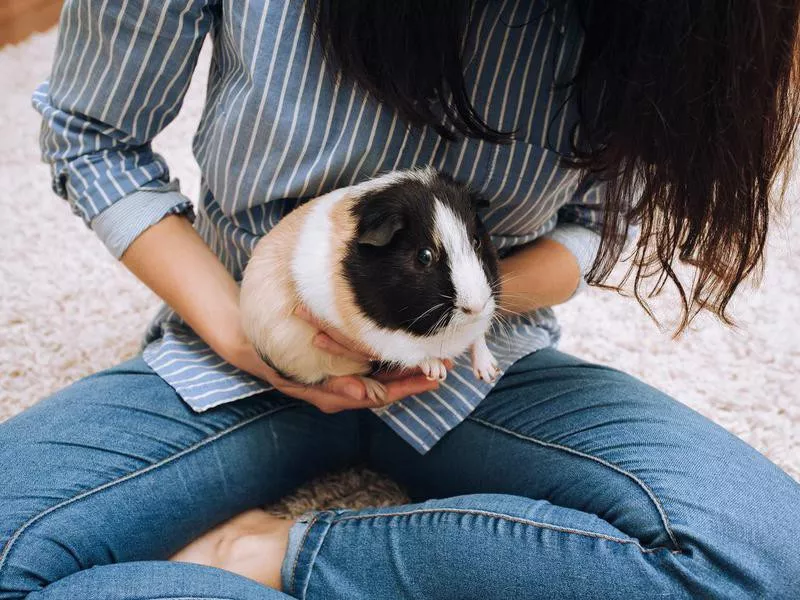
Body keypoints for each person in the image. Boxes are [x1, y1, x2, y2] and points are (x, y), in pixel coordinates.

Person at [2, 0, 799, 598]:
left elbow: (597, 222)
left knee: (763, 554)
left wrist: (464, 308)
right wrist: (255, 336)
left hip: (483, 372)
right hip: (243, 352)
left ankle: (261, 558)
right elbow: (92, 134)